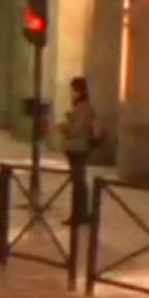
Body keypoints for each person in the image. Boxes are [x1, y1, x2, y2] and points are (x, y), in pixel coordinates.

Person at [58, 76, 103, 225]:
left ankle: (79, 215)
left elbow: (74, 130)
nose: (71, 93)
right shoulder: (83, 107)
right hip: (77, 148)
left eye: (72, 90)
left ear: (78, 91)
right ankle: (81, 213)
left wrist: (62, 126)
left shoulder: (83, 108)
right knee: (79, 181)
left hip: (78, 148)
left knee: (78, 182)